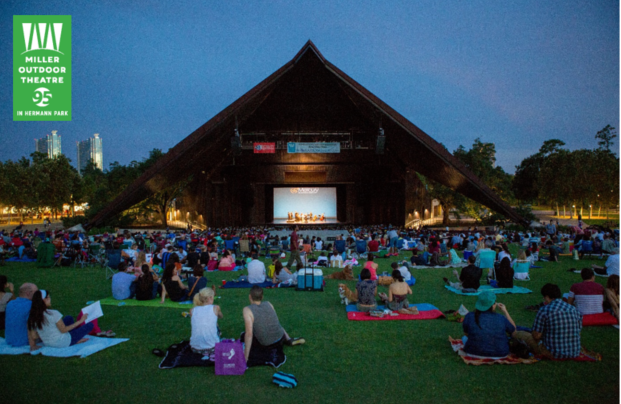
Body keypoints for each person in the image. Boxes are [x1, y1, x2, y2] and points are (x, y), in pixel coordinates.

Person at [514, 283, 582, 359]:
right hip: (574, 352)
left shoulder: (544, 310)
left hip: (553, 352)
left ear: (547, 296)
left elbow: (536, 336)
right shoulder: (574, 309)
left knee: (519, 334)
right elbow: (578, 333)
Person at [241, 286, 304, 366]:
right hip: (280, 338)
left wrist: (245, 357)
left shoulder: (247, 310)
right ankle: (288, 339)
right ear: (262, 297)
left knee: (244, 336)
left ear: (250, 297)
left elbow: (249, 334)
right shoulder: (268, 304)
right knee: (273, 323)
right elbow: (276, 323)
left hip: (267, 344)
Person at [27, 290, 94, 351]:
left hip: (48, 343)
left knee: (69, 318)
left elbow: (33, 335)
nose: (50, 299)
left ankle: (75, 338)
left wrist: (34, 344)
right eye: (48, 297)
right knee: (90, 325)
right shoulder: (53, 313)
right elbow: (63, 330)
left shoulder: (33, 317)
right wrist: (80, 321)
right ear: (44, 300)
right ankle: (74, 340)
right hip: (63, 342)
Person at [462, 291, 516, 357]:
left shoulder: (469, 316)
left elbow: (466, 334)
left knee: (464, 338)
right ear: (493, 305)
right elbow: (514, 330)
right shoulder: (501, 318)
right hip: (501, 353)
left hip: (473, 352)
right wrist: (505, 311)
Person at [190, 287, 222, 354]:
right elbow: (221, 316)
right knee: (215, 324)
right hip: (212, 347)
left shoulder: (193, 310)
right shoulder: (215, 308)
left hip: (195, 348)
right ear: (210, 298)